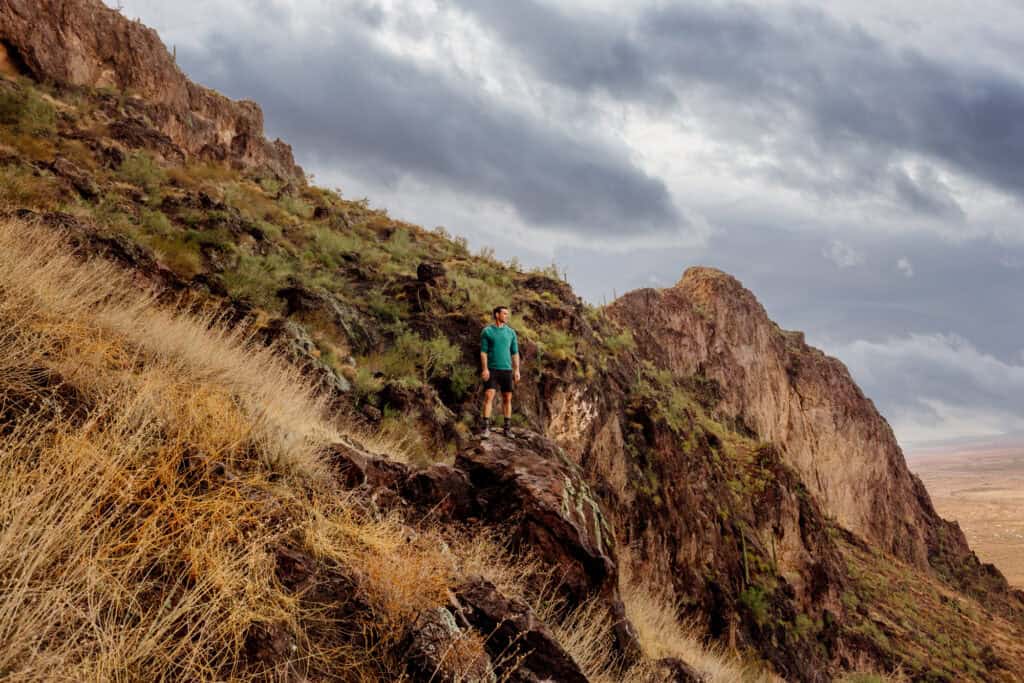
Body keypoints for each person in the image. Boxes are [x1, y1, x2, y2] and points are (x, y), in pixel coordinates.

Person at [479, 305, 520, 438]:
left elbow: (515, 353)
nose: (506, 316)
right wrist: (485, 369)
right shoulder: (487, 331)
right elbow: (483, 352)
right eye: (504, 314)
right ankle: (485, 428)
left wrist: (517, 370)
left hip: (507, 370)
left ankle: (507, 428)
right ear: (497, 315)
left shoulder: (511, 333)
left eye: (507, 314)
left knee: (507, 398)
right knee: (489, 395)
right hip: (492, 369)